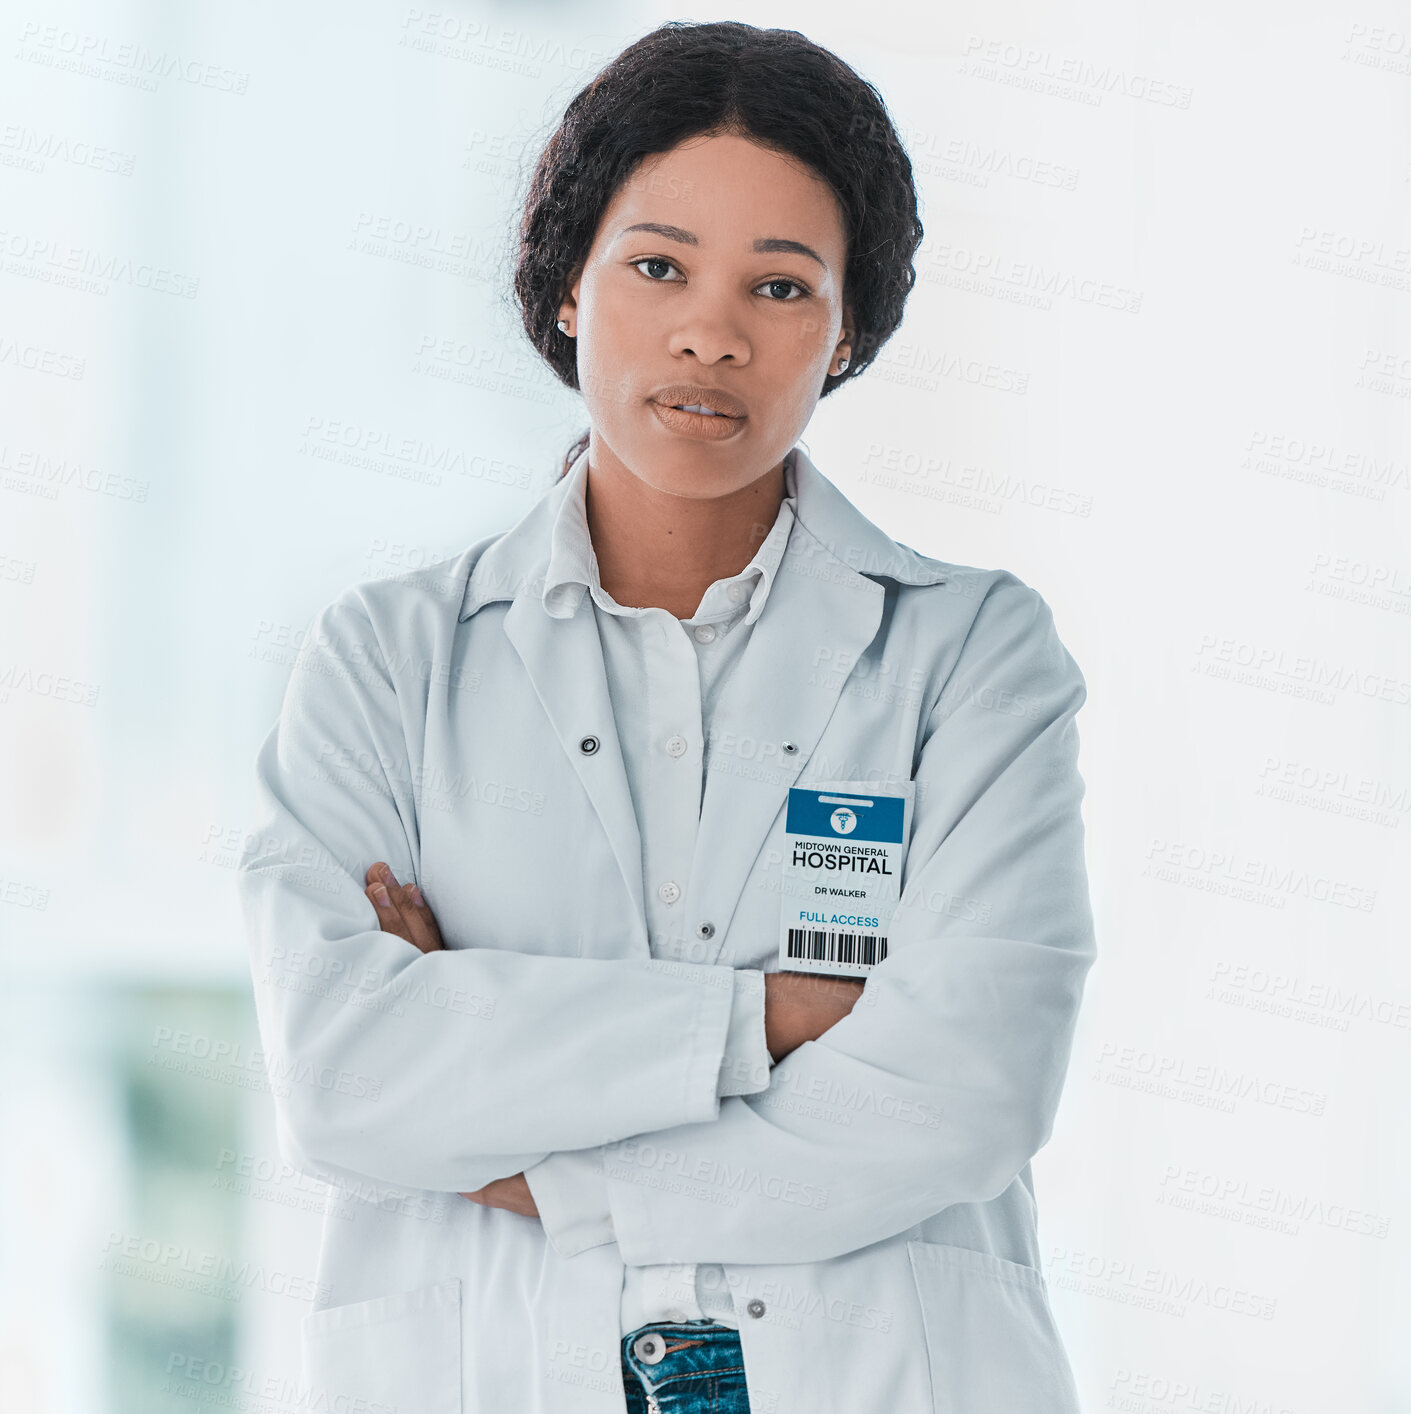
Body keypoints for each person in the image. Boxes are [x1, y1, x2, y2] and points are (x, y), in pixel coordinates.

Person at [237, 19, 1097, 1414]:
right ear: (568, 284)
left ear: (848, 331)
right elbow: (346, 1078)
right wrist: (768, 1018)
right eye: (656, 266)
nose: (709, 330)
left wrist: (517, 1143)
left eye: (780, 285)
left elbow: (963, 1093)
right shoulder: (388, 661)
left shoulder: (969, 655)